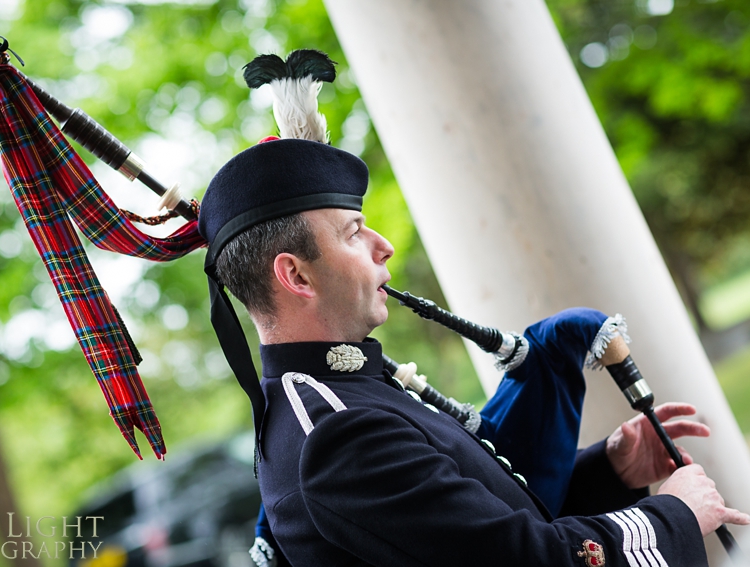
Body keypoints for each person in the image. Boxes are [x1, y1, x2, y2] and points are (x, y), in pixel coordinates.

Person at [195, 51, 749, 567]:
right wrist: (673, 516)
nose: (383, 245)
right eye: (354, 232)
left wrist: (610, 469)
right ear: (295, 275)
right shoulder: (336, 435)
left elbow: (474, 527)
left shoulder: (346, 396)